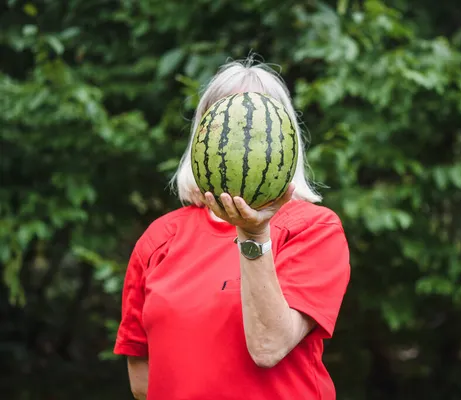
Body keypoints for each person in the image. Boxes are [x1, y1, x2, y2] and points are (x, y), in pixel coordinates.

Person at [113, 57, 351, 400]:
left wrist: (254, 235)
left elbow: (268, 346)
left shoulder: (313, 228)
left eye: (257, 128)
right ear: (201, 139)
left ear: (285, 140)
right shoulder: (160, 238)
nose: (243, 139)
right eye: (229, 124)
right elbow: (142, 377)